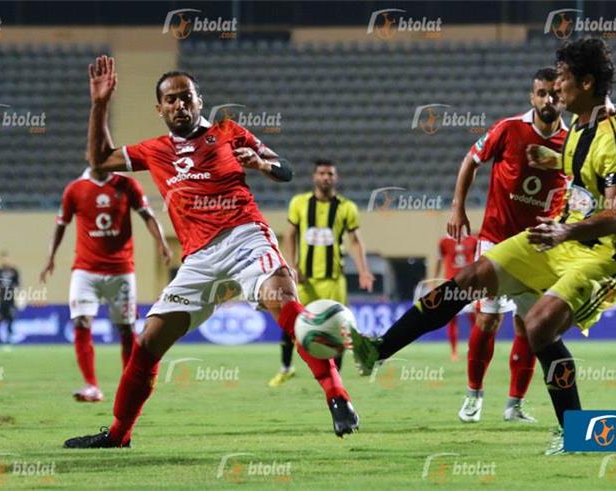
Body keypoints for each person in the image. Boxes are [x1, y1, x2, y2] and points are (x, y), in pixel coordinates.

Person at [352, 38, 616, 454]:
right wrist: (553, 164)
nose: (556, 88)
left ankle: (576, 433)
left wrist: (563, 232)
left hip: (606, 254)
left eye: (563, 79)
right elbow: (583, 176)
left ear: (586, 82)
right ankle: (377, 349)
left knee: (539, 326)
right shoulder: (579, 126)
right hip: (561, 237)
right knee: (469, 278)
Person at [65, 56, 359, 448]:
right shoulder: (154, 150)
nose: (179, 105)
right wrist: (100, 105)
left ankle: (338, 396)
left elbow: (285, 169)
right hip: (198, 261)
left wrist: (262, 163)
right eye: (171, 100)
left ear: (199, 101)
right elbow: (99, 159)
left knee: (284, 302)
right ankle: (119, 435)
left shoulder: (228, 131)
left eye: (186, 97)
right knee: (147, 342)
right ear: (159, 109)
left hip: (244, 237)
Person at [448, 67, 569, 423]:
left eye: (554, 94)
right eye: (542, 93)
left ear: (563, 97)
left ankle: (514, 405)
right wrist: (457, 206)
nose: (548, 99)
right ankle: (473, 396)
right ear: (532, 96)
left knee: (531, 326)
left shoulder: (573, 141)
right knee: (487, 320)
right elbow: (471, 159)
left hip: (539, 247)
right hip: (496, 241)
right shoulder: (508, 129)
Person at [40, 167, 172, 402]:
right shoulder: (75, 189)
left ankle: (129, 385)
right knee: (81, 321)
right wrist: (51, 257)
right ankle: (91, 386)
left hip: (121, 270)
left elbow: (148, 216)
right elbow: (60, 224)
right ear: (88, 156)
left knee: (126, 328)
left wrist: (161, 242)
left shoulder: (127, 185)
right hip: (85, 270)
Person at [268, 159, 374, 387]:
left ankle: (336, 376)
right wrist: (293, 266)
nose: (326, 177)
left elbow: (355, 241)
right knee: (290, 322)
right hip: (305, 280)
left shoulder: (346, 207)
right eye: (322, 173)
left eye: (330, 174)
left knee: (341, 327)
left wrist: (364, 270)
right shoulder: (299, 203)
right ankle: (286, 368)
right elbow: (290, 235)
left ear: (336, 178)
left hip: (334, 280)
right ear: (314, 177)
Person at [431, 234, 478, 362]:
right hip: (451, 285)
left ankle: (474, 350)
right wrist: (434, 281)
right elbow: (438, 261)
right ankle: (454, 352)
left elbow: (479, 260)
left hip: (470, 285)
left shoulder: (473, 240)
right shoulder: (444, 241)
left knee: (474, 320)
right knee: (451, 320)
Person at [0, 251, 19, 344]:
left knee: (10, 318)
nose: (5, 260)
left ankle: (9, 338)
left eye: (6, 258)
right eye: (3, 259)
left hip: (10, 300)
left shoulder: (14, 271)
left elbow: (17, 285)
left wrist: (18, 298)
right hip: (0, 300)